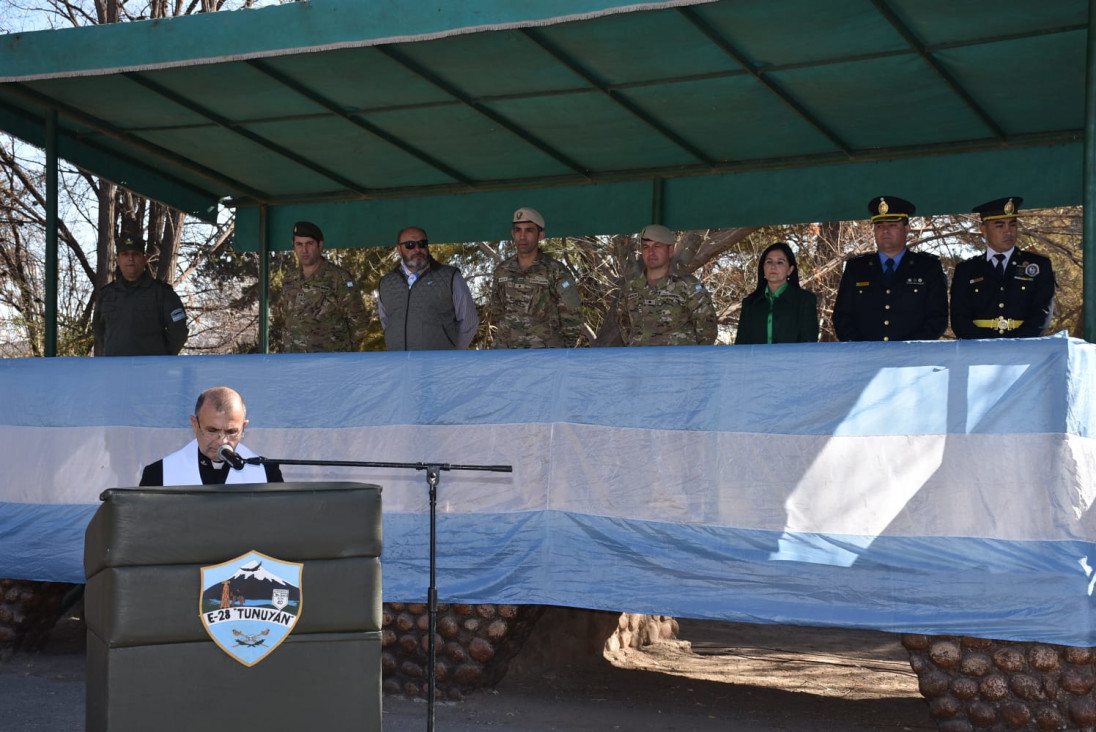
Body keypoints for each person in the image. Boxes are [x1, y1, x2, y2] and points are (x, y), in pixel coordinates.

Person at [832, 196, 948, 342]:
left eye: (892, 225)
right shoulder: (856, 268)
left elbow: (937, 318)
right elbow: (842, 316)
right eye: (879, 226)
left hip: (912, 358)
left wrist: (908, 349)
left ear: (906, 229)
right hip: (864, 356)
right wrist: (860, 348)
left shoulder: (927, 268)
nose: (885, 231)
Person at [950, 197, 1055, 339]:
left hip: (1024, 349)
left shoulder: (1038, 265)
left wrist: (1016, 345)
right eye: (1000, 226)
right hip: (978, 352)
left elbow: (1042, 312)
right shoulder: (967, 270)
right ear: (984, 230)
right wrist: (983, 347)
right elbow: (959, 317)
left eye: (1012, 225)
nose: (1008, 232)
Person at [139, 386, 283, 486]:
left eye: (231, 432)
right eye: (212, 431)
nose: (222, 441)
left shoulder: (267, 473)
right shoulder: (159, 474)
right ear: (195, 424)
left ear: (243, 427)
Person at [489, 207, 584, 348]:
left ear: (540, 236)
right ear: (512, 234)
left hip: (544, 356)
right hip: (507, 354)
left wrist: (561, 351)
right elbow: (497, 311)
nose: (522, 236)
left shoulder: (555, 271)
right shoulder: (502, 271)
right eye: (518, 230)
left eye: (529, 230)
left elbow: (572, 315)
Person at [376, 226, 479, 350]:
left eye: (422, 244)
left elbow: (469, 322)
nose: (417, 249)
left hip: (440, 366)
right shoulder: (386, 283)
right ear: (399, 249)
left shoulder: (451, 277)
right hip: (400, 365)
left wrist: (452, 355)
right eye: (410, 245)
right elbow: (386, 323)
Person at [273, 221, 369, 353]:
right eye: (299, 244)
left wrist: (344, 355)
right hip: (294, 361)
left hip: (329, 362)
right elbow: (287, 319)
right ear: (293, 246)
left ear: (320, 245)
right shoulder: (290, 279)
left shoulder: (338, 278)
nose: (304, 250)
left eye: (309, 244)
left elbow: (359, 323)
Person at [617, 224, 717, 346]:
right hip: (641, 362)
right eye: (646, 247)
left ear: (670, 250)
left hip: (679, 362)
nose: (651, 252)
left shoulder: (689, 286)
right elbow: (625, 327)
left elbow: (707, 331)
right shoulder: (630, 289)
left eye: (657, 246)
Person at [92, 234, 188, 356]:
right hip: (115, 370)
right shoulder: (106, 294)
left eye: (136, 254)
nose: (130, 258)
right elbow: (99, 330)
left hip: (151, 370)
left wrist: (162, 360)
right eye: (125, 254)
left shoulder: (162, 293)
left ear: (145, 258)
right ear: (118, 260)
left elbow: (178, 332)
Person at [735, 242, 818, 344]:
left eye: (780, 262)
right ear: (763, 267)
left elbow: (809, 342)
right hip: (756, 360)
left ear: (790, 270)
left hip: (793, 359)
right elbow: (740, 345)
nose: (773, 267)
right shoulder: (749, 303)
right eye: (769, 262)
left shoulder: (805, 300)